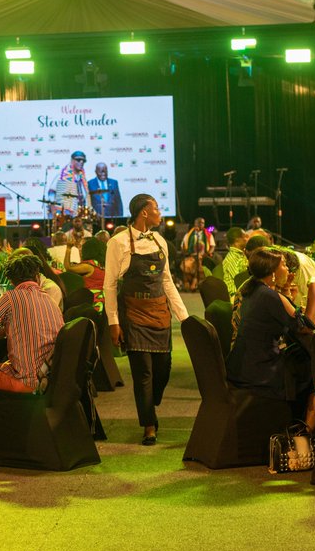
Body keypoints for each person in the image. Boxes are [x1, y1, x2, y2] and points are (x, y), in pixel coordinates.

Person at [104, 193, 189, 445]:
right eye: (156, 208)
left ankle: (150, 404)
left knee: (163, 370)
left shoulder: (159, 240)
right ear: (144, 212)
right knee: (143, 374)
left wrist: (184, 318)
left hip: (159, 312)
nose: (160, 212)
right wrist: (113, 322)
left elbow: (167, 282)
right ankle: (149, 425)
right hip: (133, 312)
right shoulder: (118, 242)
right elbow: (109, 285)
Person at [226, 248, 315, 428]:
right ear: (272, 272)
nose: (288, 270)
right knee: (314, 369)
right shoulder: (269, 296)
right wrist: (313, 289)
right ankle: (303, 434)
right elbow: (308, 327)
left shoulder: (252, 289)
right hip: (260, 371)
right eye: (284, 265)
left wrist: (284, 289)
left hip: (242, 366)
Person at [0, 253, 64, 394]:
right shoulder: (49, 299)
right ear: (37, 276)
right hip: (53, 376)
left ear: (11, 281)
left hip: (28, 381)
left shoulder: (10, 297)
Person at [48, 151, 92, 218]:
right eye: (78, 160)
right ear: (72, 161)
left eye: (83, 161)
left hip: (80, 214)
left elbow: (85, 196)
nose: (81, 162)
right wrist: (53, 206)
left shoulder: (83, 178)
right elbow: (51, 191)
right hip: (66, 214)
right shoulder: (62, 176)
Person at [178, 218, 215, 291]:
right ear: (195, 224)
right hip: (191, 256)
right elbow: (182, 246)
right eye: (199, 223)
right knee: (185, 265)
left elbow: (212, 246)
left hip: (203, 256)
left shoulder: (208, 234)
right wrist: (185, 252)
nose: (201, 224)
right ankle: (188, 282)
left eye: (203, 223)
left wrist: (208, 253)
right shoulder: (188, 234)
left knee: (199, 263)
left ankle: (193, 283)